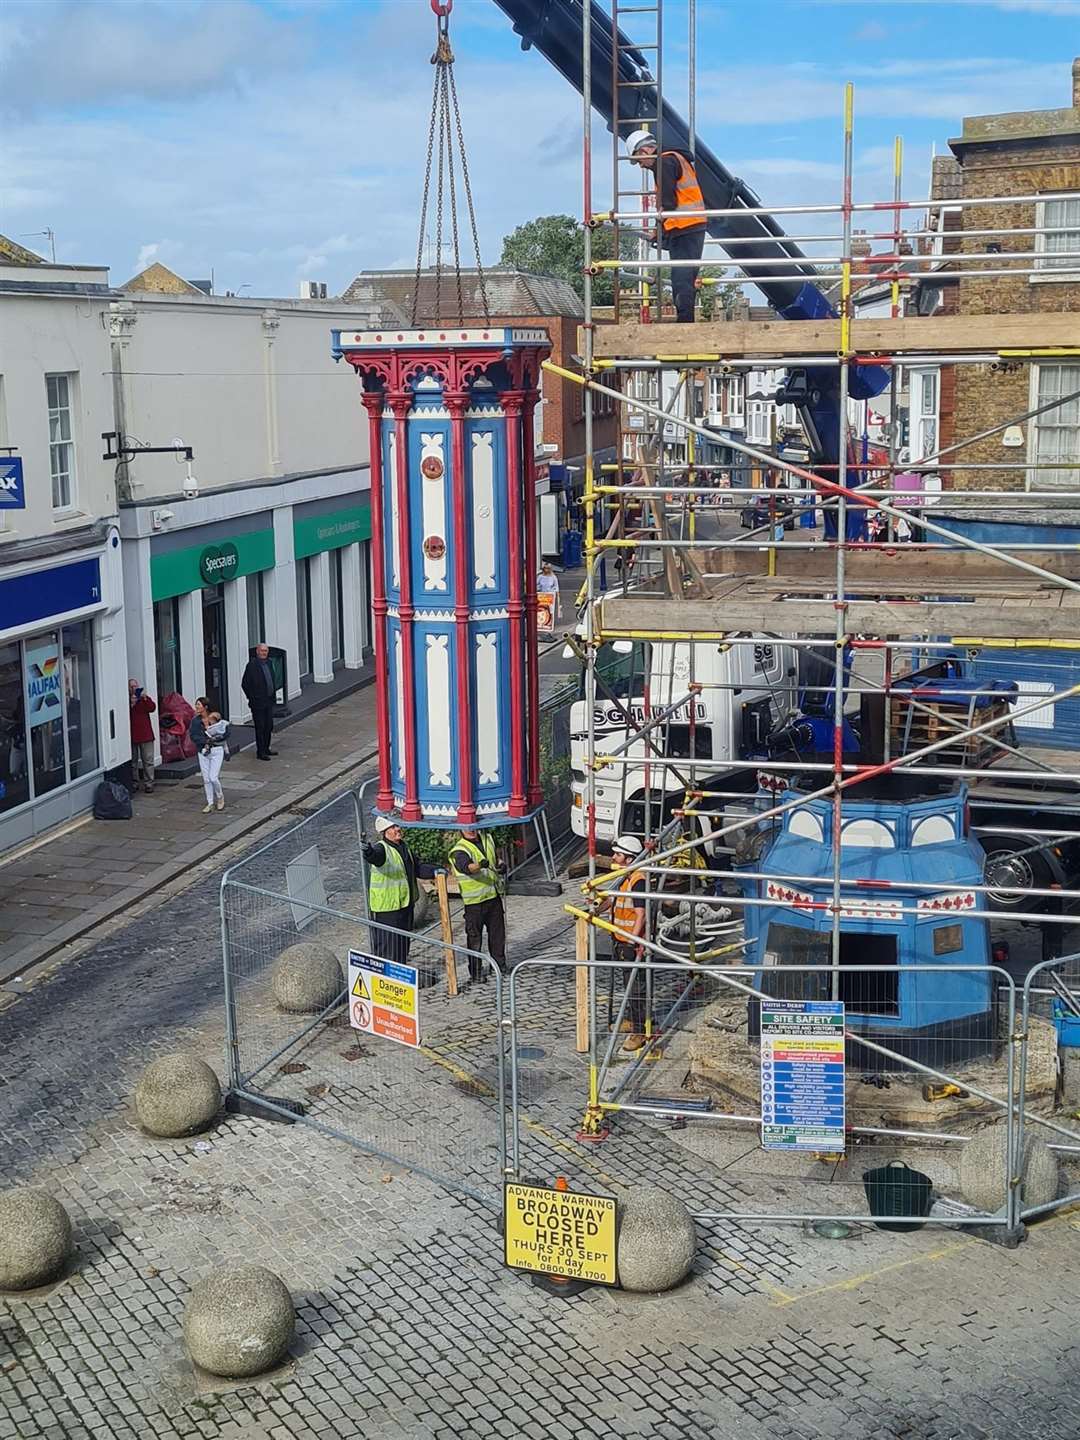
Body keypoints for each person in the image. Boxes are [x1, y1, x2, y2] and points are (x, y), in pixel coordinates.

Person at [625, 129, 706, 324]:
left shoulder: (665, 162)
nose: (641, 166)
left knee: (681, 279)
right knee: (687, 277)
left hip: (683, 226)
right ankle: (686, 321)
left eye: (638, 160)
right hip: (691, 225)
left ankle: (684, 324)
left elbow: (667, 203)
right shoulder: (675, 159)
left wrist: (658, 229)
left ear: (645, 151)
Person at [362, 815, 438, 969]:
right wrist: (368, 852)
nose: (398, 829)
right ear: (385, 832)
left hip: (405, 906)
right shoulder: (381, 848)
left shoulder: (404, 847)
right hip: (388, 909)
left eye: (397, 826)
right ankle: (385, 982)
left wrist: (435, 870)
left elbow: (417, 868)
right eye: (393, 827)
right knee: (388, 950)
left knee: (402, 947)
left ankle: (399, 979)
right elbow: (376, 857)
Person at [603, 835, 651, 1052]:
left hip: (630, 943)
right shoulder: (624, 876)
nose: (614, 857)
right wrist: (595, 908)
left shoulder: (638, 880)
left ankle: (639, 1031)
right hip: (619, 938)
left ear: (630, 858)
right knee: (628, 985)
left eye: (618, 854)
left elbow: (641, 915)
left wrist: (633, 941)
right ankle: (632, 1020)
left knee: (636, 988)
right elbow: (613, 900)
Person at [450, 824, 506, 984]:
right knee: (475, 939)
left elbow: (494, 857)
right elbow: (467, 868)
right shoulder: (459, 850)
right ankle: (475, 973)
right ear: (460, 830)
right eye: (466, 827)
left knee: (497, 935)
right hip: (474, 903)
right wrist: (480, 865)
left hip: (493, 896)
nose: (470, 829)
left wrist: (500, 864)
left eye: (472, 826)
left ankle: (499, 966)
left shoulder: (487, 838)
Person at [241, 642, 277, 761]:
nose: (264, 653)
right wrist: (252, 697)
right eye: (262, 651)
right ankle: (260, 752)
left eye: (265, 651)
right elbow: (245, 684)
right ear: (257, 651)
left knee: (269, 726)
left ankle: (266, 748)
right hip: (258, 703)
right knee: (260, 727)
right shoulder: (252, 665)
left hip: (269, 701)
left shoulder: (269, 663)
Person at [194, 705, 230, 814]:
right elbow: (193, 736)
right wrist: (204, 741)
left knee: (213, 777)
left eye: (199, 705)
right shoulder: (196, 722)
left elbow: (225, 736)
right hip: (203, 751)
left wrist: (214, 739)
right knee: (206, 779)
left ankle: (220, 797)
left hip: (216, 751)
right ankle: (210, 803)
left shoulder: (221, 725)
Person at [128, 679, 157, 794]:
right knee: (133, 762)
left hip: (146, 735)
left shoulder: (144, 699)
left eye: (136, 686)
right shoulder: (127, 700)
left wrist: (145, 698)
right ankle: (135, 783)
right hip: (132, 735)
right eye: (132, 687)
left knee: (148, 761)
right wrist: (132, 704)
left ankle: (149, 783)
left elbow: (152, 708)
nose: (134, 688)